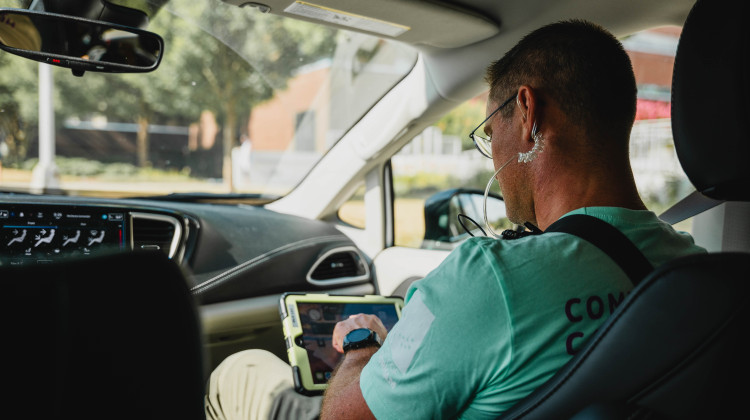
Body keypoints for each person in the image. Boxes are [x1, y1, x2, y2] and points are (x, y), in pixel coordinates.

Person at [205, 20, 705, 420]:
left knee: (239, 370)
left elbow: (344, 417)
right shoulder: (697, 272)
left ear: (527, 113)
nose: (493, 159)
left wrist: (360, 345)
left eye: (491, 133)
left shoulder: (491, 277)